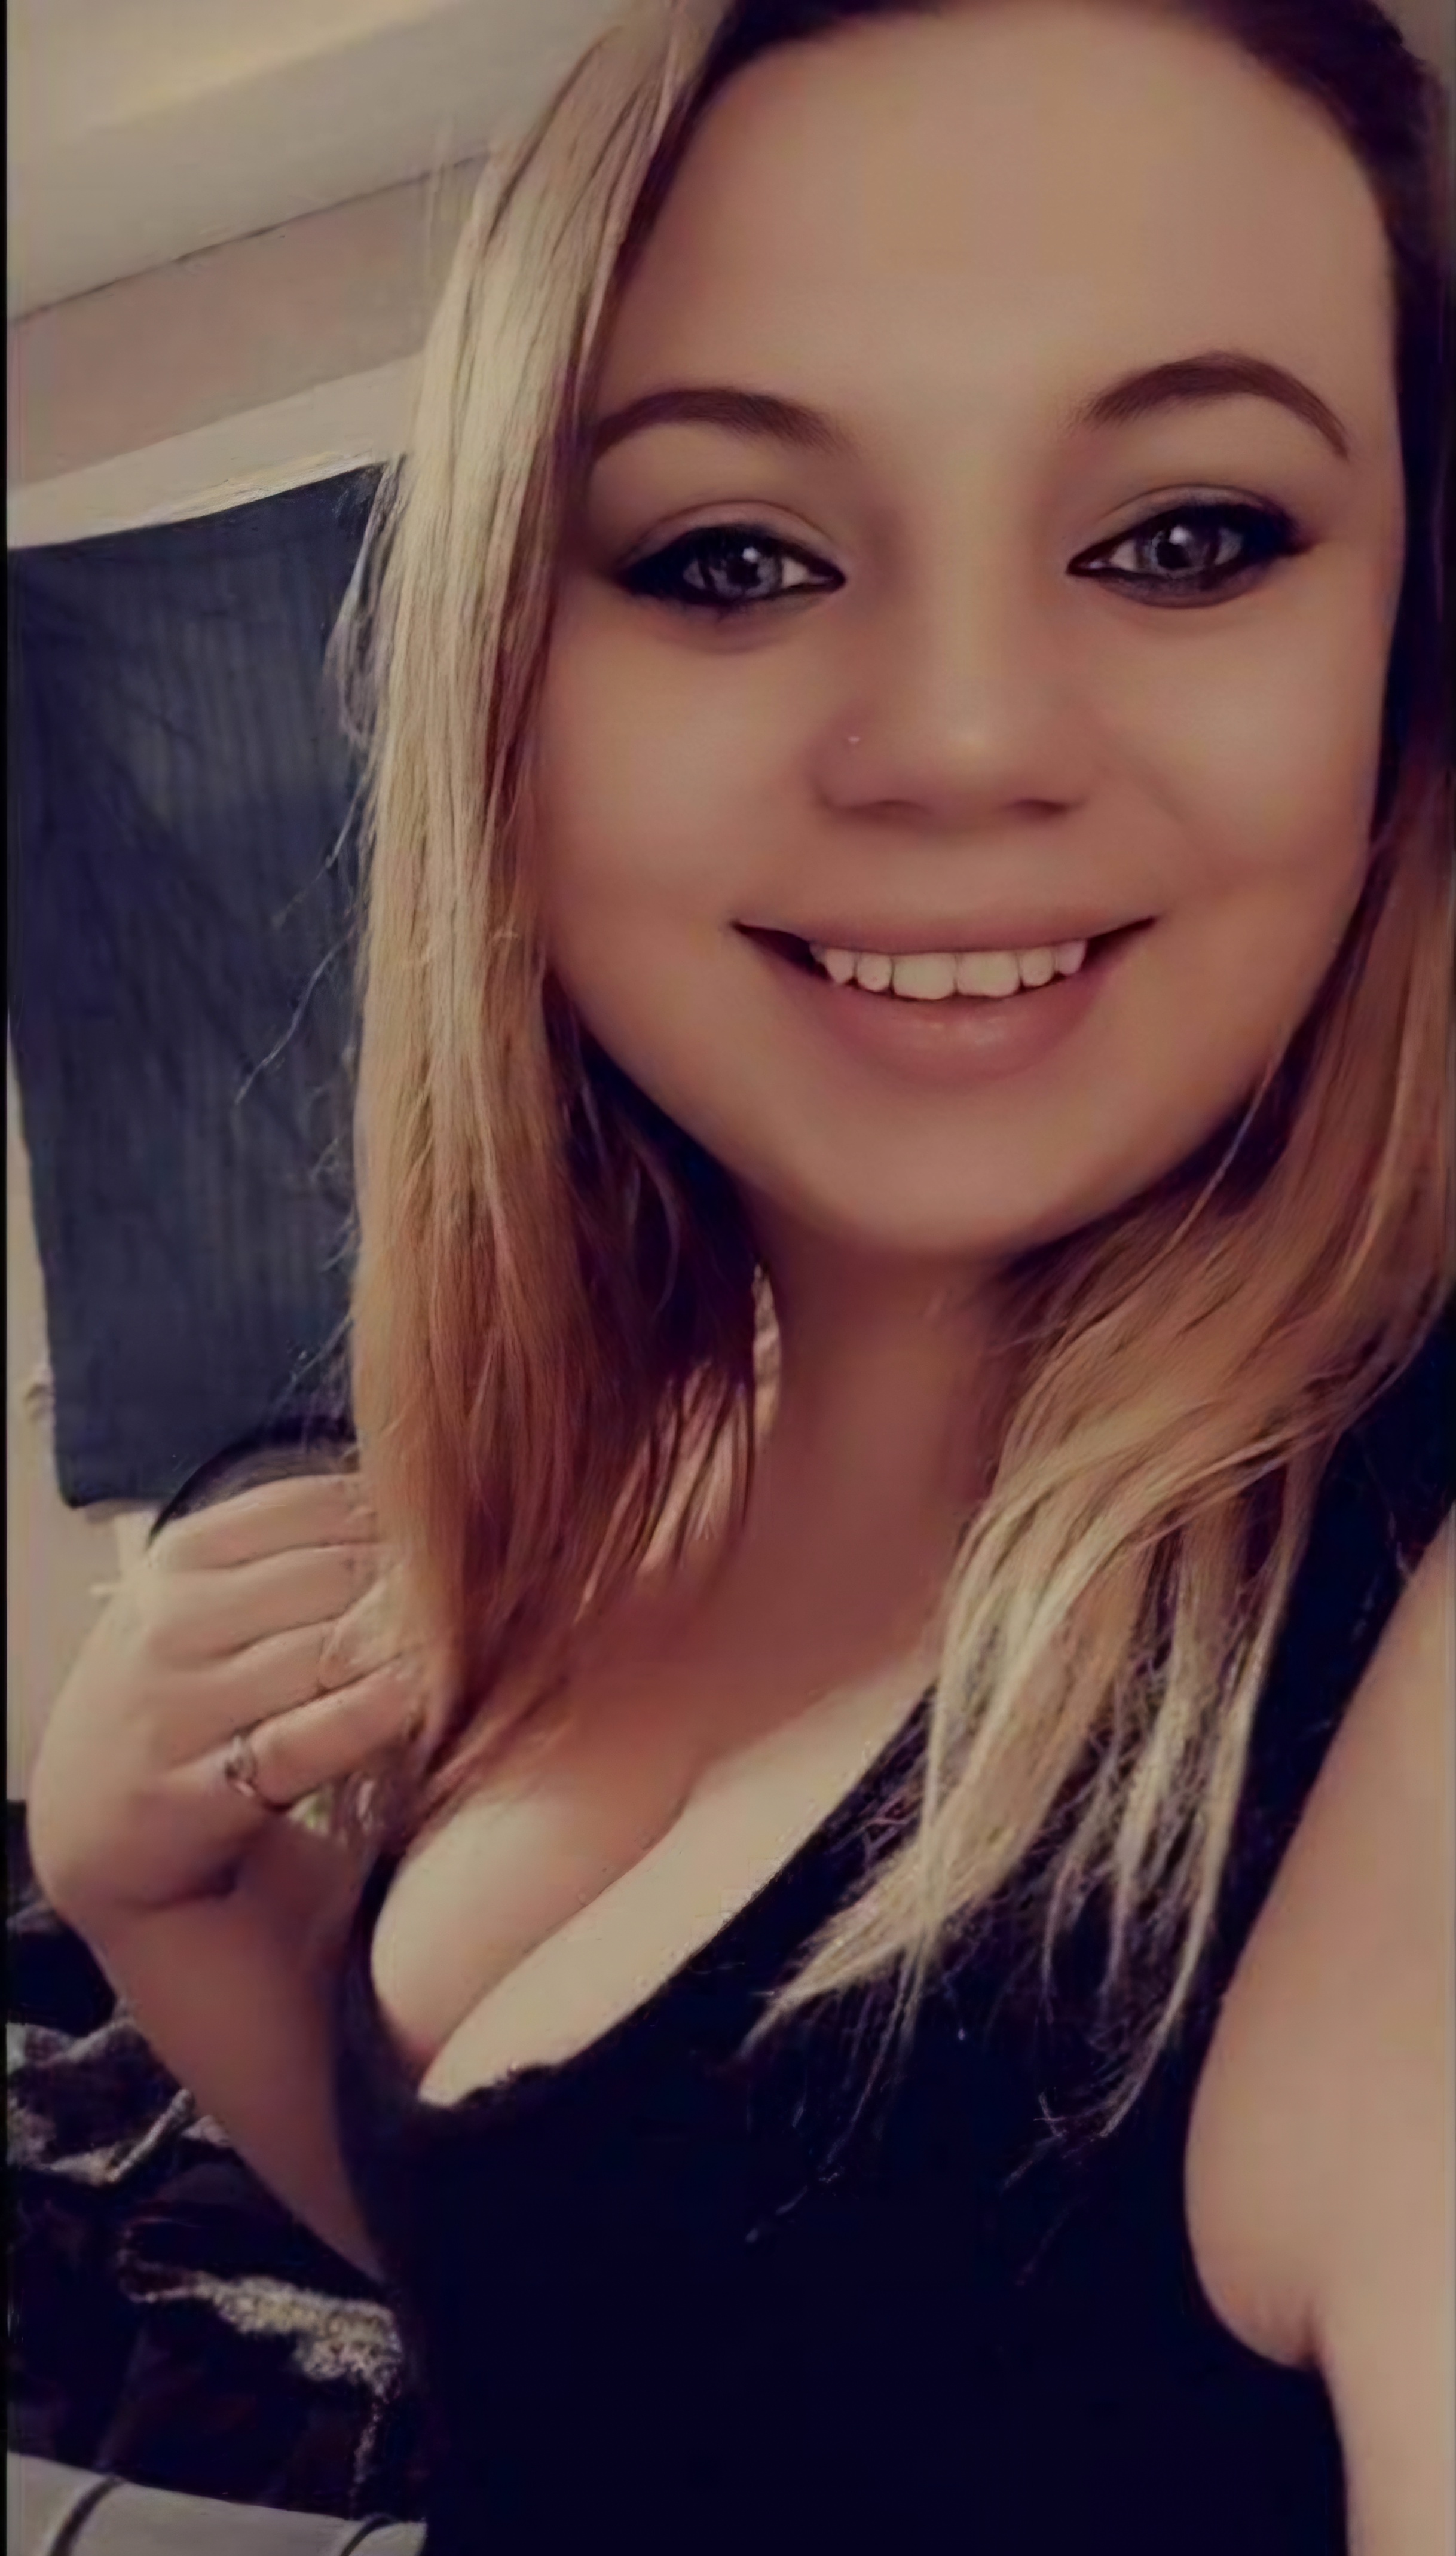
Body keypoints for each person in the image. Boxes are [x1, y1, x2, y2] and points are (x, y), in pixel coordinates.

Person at [27, 1, 1452, 2548]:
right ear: (504, 693)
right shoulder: (658, 1423)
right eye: (731, 557)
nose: (962, 739)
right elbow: (600, 2330)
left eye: (1186, 537)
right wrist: (171, 1894)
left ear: (1409, 650)